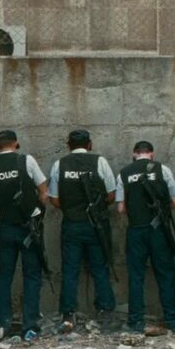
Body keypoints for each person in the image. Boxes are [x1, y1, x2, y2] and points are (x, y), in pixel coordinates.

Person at [48, 130, 117, 333]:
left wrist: (72, 207)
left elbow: (54, 199)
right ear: (90, 144)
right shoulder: (100, 162)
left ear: (68, 145)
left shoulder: (59, 165)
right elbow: (111, 195)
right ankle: (105, 311)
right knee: (100, 268)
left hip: (72, 224)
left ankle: (68, 314)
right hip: (96, 225)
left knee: (70, 270)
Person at [0, 130, 49, 340]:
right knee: (31, 275)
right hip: (29, 226)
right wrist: (36, 212)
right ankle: (30, 325)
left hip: (5, 226)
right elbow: (44, 190)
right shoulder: (26, 160)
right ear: (16, 143)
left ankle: (2, 323)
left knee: (4, 275)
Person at [115, 141, 175, 335]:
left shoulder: (124, 173)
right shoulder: (163, 170)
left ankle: (135, 321)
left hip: (136, 230)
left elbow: (120, 208)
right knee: (166, 274)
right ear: (151, 154)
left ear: (134, 154)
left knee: (136, 276)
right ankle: (172, 320)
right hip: (159, 230)